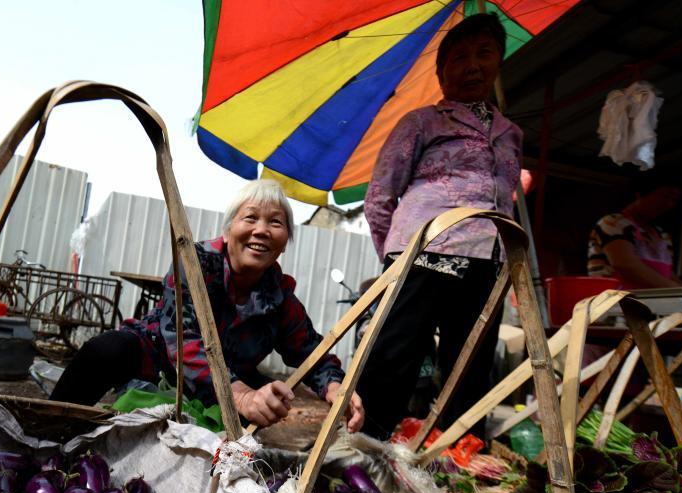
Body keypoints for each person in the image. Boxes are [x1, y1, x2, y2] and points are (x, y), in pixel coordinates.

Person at [50, 179, 365, 432]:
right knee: (106, 350)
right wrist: (240, 395)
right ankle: (46, 433)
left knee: (257, 417)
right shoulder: (195, 263)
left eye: (276, 222)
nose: (261, 230)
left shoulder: (279, 298)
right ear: (228, 232)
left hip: (225, 384)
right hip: (160, 359)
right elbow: (185, 341)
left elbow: (312, 352)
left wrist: (336, 388)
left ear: (283, 244)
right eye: (250, 217)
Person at [356, 12, 521, 440]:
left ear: (499, 62)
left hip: (487, 259)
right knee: (395, 355)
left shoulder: (510, 133)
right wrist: (394, 258)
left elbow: (506, 198)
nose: (472, 66)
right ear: (441, 72)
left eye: (484, 54)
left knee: (470, 362)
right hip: (422, 253)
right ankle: (365, 444)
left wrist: (509, 260)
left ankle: (458, 456)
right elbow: (379, 197)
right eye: (459, 58)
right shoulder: (422, 122)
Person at [587, 184, 682, 289]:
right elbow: (626, 265)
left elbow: (668, 274)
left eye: (674, 200)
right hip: (616, 301)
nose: (669, 204)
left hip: (652, 301)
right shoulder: (614, 222)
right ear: (640, 194)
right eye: (665, 196)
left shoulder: (662, 235)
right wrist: (676, 289)